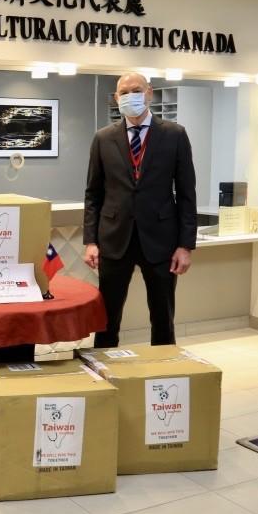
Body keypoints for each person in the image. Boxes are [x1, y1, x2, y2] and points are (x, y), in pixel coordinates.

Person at [83, 72, 197, 348]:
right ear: (116, 98)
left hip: (161, 241)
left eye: (136, 90)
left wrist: (185, 246)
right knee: (107, 317)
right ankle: (106, 375)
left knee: (162, 315)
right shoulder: (103, 138)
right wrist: (90, 241)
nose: (129, 96)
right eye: (123, 92)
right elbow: (93, 194)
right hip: (114, 239)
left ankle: (163, 372)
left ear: (149, 93)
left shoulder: (174, 135)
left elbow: (186, 193)